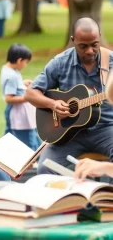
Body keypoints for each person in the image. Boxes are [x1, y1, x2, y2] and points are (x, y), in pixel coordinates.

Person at [25, 17, 113, 174]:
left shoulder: (111, 62)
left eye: (94, 45)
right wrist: (53, 104)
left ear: (99, 36)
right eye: (82, 46)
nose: (89, 51)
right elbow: (31, 93)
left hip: (106, 129)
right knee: (45, 167)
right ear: (73, 40)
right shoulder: (60, 63)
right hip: (69, 135)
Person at [0, 44, 41, 150]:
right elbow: (9, 98)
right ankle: (30, 162)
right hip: (18, 113)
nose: (25, 65)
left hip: (14, 112)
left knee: (9, 137)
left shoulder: (7, 69)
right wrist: (28, 97)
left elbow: (11, 87)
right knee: (27, 139)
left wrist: (22, 84)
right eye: (26, 62)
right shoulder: (12, 76)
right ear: (19, 60)